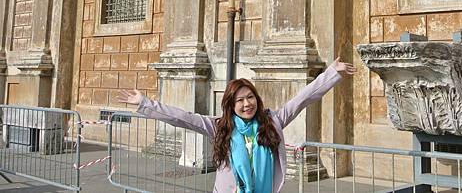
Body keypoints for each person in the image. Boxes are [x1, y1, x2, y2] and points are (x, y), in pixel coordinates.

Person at [118, 57, 356, 193]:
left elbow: (303, 98)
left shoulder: (272, 121)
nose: (246, 104)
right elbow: (183, 118)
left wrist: (331, 73)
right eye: (240, 100)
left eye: (250, 97)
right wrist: (145, 103)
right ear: (231, 105)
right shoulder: (221, 126)